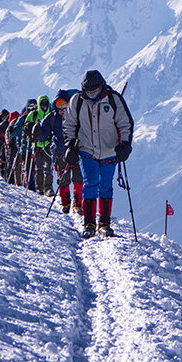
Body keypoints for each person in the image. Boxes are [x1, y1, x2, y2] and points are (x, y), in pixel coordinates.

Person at [63, 69, 133, 238]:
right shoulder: (77, 101)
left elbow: (126, 124)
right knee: (90, 183)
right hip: (86, 149)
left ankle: (104, 223)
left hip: (110, 151)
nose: (92, 93)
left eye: (94, 90)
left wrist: (125, 145)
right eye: (89, 91)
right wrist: (70, 146)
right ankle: (88, 223)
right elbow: (69, 125)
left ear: (102, 86)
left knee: (106, 186)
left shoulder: (114, 100)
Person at [52, 90, 83, 214]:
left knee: (78, 179)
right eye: (59, 107)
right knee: (64, 179)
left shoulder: (75, 116)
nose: (62, 110)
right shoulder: (52, 118)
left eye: (64, 107)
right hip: (61, 152)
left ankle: (77, 204)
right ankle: (66, 203)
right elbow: (43, 132)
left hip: (74, 151)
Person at [26, 95, 61, 196]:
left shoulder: (51, 115)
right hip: (37, 144)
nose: (44, 106)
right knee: (39, 166)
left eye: (45, 104)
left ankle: (48, 188)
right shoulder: (34, 114)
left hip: (48, 144)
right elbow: (26, 126)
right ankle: (39, 187)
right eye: (42, 104)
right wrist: (30, 128)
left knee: (48, 167)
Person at [3, 110, 22, 185]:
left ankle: (9, 180)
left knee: (10, 164)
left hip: (10, 147)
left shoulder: (9, 126)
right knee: (16, 164)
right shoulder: (17, 123)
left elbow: (7, 137)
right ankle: (14, 181)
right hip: (14, 146)